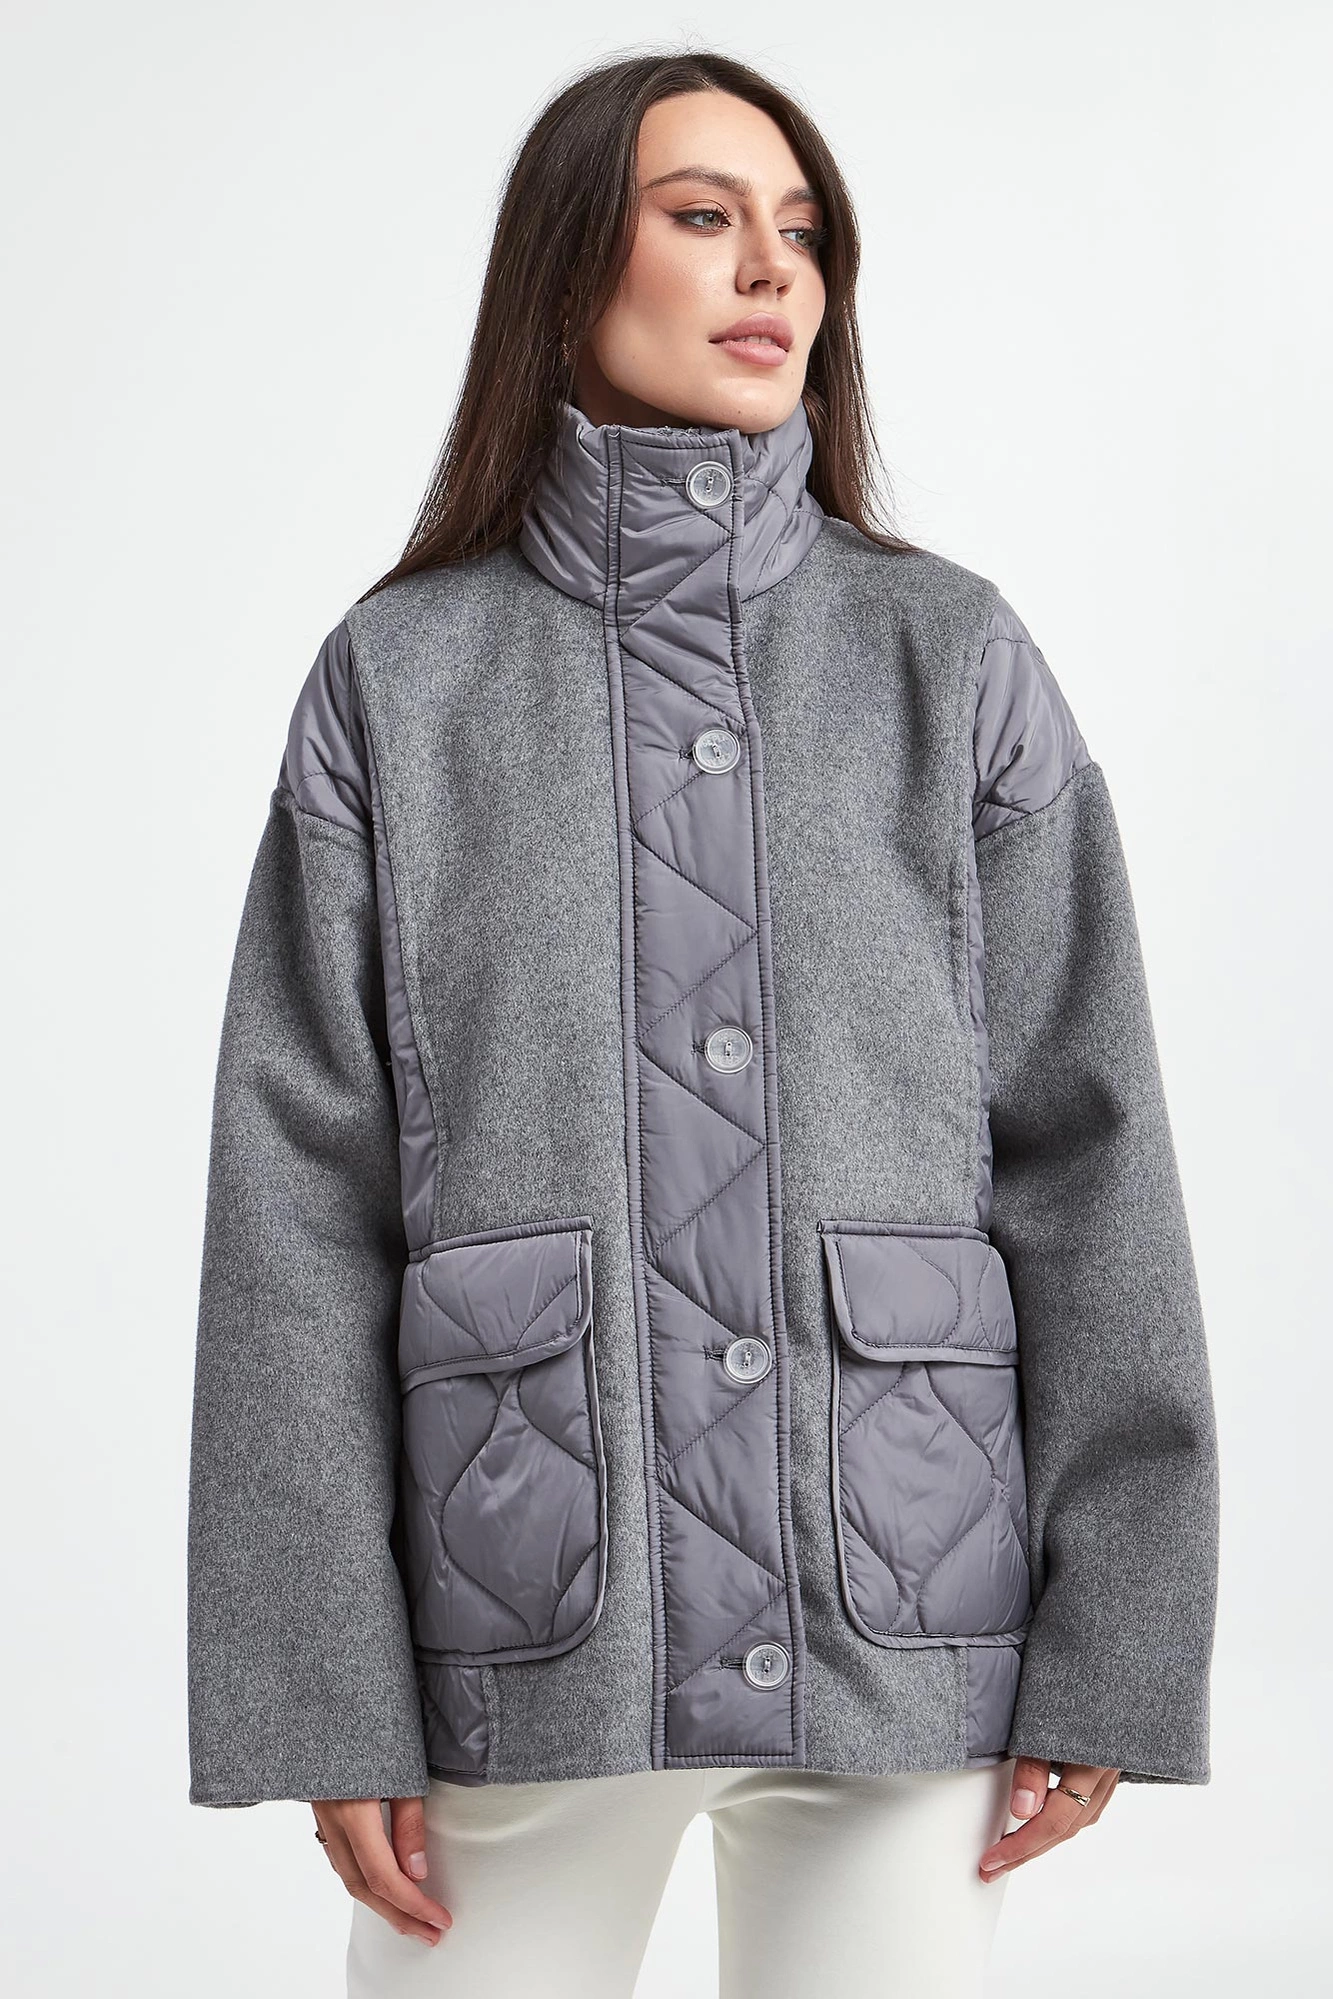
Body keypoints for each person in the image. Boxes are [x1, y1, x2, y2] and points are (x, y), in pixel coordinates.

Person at [186, 47, 1221, 1999]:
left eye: (805, 234)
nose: (772, 272)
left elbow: (1096, 1159)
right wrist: (324, 1687)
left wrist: (1119, 1642)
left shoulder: (950, 659)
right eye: (703, 217)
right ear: (571, 257)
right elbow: (298, 1210)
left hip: (904, 1600)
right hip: (529, 1612)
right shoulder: (402, 679)